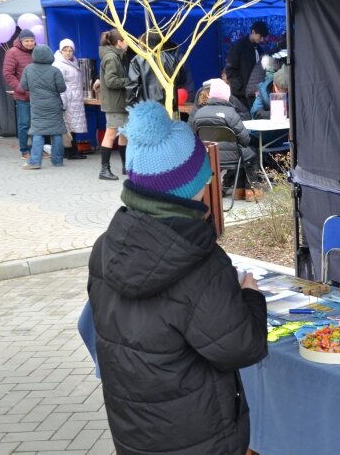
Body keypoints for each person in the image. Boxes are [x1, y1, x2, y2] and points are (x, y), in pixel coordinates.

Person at [87, 100, 267, 454]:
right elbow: (241, 347)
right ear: (192, 184)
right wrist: (250, 296)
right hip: (200, 436)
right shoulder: (199, 262)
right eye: (205, 174)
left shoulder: (106, 247)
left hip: (135, 434)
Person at [189, 78, 261, 201]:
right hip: (233, 157)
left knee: (243, 153)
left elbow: (193, 136)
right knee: (251, 153)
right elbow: (244, 139)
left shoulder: (198, 114)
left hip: (208, 156)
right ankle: (250, 191)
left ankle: (235, 190)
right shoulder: (231, 114)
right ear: (227, 96)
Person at [19, 45, 67, 169]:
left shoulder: (28, 69)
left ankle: (35, 161)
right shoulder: (55, 70)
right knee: (56, 132)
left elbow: (23, 87)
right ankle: (57, 161)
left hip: (37, 105)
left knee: (38, 132)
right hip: (54, 105)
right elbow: (62, 88)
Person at [97, 29, 129, 181]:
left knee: (124, 134)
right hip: (114, 104)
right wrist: (129, 82)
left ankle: (125, 166)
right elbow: (111, 81)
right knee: (111, 134)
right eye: (126, 40)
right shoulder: (111, 57)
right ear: (119, 42)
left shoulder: (116, 56)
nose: (128, 43)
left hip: (119, 103)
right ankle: (104, 170)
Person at [126, 31, 181, 112]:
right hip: (169, 107)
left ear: (145, 42)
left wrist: (133, 106)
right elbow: (180, 79)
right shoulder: (172, 59)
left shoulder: (137, 60)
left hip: (146, 108)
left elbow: (131, 87)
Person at [2, 28, 35, 159]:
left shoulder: (36, 51)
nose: (30, 43)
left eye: (32, 41)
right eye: (27, 41)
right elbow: (8, 73)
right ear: (21, 41)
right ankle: (24, 150)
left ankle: (36, 148)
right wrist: (20, 87)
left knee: (37, 124)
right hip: (23, 96)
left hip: (38, 95)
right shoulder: (12, 52)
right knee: (24, 124)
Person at [53, 38, 87, 160]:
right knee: (68, 127)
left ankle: (73, 150)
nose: (68, 53)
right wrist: (63, 102)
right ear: (61, 51)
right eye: (65, 50)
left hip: (75, 99)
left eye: (71, 50)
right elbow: (60, 85)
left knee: (72, 127)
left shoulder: (74, 62)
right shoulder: (58, 64)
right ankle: (70, 152)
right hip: (68, 99)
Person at [225, 21, 268, 108]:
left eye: (264, 37)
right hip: (241, 95)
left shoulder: (260, 50)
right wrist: (240, 87)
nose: (262, 40)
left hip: (256, 94)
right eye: (260, 36)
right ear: (253, 32)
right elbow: (230, 70)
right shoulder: (238, 47)